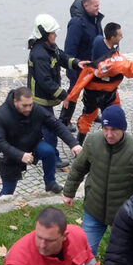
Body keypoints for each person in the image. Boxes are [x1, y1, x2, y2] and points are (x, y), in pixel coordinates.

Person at [61, 104, 133, 259]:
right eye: (105, 129)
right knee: (85, 252)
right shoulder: (92, 141)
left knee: (123, 253)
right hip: (94, 208)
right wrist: (69, 192)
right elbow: (78, 168)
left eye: (114, 129)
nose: (109, 134)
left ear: (123, 129)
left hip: (122, 212)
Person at [0, 87, 83, 195]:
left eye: (30, 105)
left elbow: (56, 125)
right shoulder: (1, 114)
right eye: (24, 106)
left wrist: (73, 144)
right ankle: (3, 205)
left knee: (48, 151)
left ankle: (50, 183)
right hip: (10, 154)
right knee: (8, 189)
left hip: (32, 145)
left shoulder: (35, 109)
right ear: (15, 101)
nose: (28, 109)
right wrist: (20, 155)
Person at [28, 14, 86, 162]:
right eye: (52, 32)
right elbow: (45, 81)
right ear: (44, 34)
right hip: (40, 99)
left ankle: (36, 152)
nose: (55, 35)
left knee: (43, 128)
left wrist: (76, 63)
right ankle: (52, 158)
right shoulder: (39, 54)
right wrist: (64, 95)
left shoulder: (50, 47)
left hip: (46, 98)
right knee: (50, 129)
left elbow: (62, 57)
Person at [64, 0, 104, 99]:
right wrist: (72, 70)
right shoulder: (77, 23)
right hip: (79, 67)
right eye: (96, 6)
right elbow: (69, 49)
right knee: (73, 94)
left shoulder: (95, 19)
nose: (98, 8)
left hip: (93, 65)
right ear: (86, 6)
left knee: (94, 94)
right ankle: (64, 116)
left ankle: (92, 115)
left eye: (98, 5)